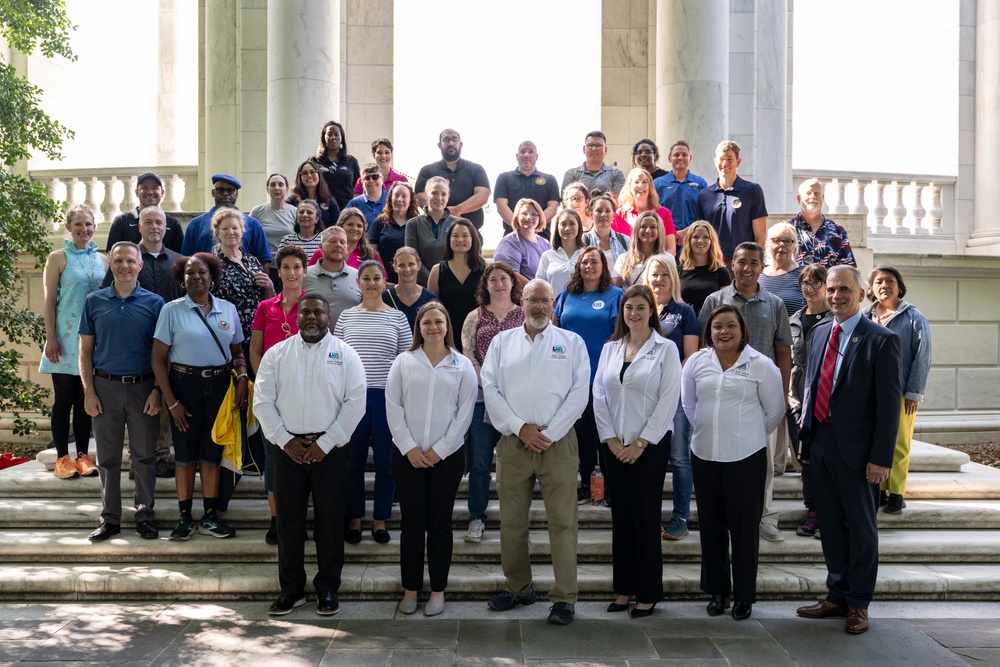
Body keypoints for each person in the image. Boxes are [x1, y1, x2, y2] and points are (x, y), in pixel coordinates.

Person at [796, 266, 902, 635]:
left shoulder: (881, 339)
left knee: (860, 529)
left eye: (844, 289)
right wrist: (806, 442)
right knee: (830, 526)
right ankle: (836, 595)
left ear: (861, 295)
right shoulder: (821, 331)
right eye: (831, 289)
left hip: (859, 455)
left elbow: (889, 408)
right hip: (821, 445)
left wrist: (880, 459)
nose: (836, 295)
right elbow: (811, 388)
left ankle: (858, 603)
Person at [483, 279, 590, 626]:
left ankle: (564, 598)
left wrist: (550, 433)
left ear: (554, 305)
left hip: (558, 443)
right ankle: (519, 588)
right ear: (522, 302)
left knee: (562, 523)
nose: (539, 306)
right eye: (533, 300)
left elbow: (579, 392)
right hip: (514, 443)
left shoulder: (571, 343)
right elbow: (491, 387)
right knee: (512, 523)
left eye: (546, 300)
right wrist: (520, 427)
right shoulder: (502, 343)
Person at [253, 293, 366, 616]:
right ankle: (291, 589)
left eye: (318, 312)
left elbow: (355, 403)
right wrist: (285, 440)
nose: (312, 317)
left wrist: (324, 443)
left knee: (330, 522)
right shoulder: (277, 354)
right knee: (288, 523)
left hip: (329, 451)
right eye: (306, 312)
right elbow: (262, 402)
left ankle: (328, 588)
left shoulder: (345, 355)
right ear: (296, 317)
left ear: (328, 317)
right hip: (286, 450)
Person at [683, 305, 784, 621]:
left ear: (742, 330)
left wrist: (744, 433)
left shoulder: (761, 365)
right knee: (711, 528)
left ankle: (743, 596)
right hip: (705, 456)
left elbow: (775, 411)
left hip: (746, 457)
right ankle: (717, 592)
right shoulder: (697, 363)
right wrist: (710, 431)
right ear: (708, 332)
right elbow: (689, 405)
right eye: (716, 326)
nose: (723, 331)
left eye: (730, 326)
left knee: (743, 530)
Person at [593, 284, 682, 618]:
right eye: (628, 307)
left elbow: (668, 399)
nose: (634, 313)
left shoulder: (666, 349)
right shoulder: (610, 349)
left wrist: (641, 443)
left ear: (651, 311)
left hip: (650, 447)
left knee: (645, 519)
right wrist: (613, 442)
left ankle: (648, 592)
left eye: (641, 307)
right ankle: (624, 589)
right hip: (615, 447)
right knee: (621, 520)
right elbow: (599, 395)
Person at [387, 302, 478, 617]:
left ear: (447, 325)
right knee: (413, 523)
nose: (433, 327)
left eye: (439, 321)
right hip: (407, 456)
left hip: (447, 458)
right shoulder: (404, 361)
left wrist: (440, 449)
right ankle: (411, 589)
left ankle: (438, 592)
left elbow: (465, 412)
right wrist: (409, 446)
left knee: (440, 523)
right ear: (419, 327)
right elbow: (393, 406)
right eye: (427, 322)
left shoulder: (462, 364)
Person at [152, 253, 249, 541]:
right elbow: (158, 360)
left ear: (212, 277)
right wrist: (171, 402)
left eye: (202, 272)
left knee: (211, 453)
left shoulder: (228, 310)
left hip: (219, 388)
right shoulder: (171, 311)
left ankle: (209, 515)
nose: (196, 277)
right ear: (182, 279)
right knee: (184, 456)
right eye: (190, 273)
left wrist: (242, 377)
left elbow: (238, 353)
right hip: (184, 386)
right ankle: (184, 517)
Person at [700, 242, 792, 542]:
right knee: (720, 463)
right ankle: (725, 519)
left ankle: (764, 516)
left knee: (761, 462)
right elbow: (703, 349)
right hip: (720, 395)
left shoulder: (775, 303)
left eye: (754, 262)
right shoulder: (715, 300)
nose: (747, 268)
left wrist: (782, 393)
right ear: (732, 264)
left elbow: (783, 352)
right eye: (742, 262)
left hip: (759, 396)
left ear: (762, 266)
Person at [79, 242, 164, 541]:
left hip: (143, 389)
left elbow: (162, 353)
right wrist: (89, 391)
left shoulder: (156, 304)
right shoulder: (94, 301)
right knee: (107, 458)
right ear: (111, 265)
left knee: (143, 457)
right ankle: (110, 518)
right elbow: (85, 351)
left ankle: (144, 515)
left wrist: (157, 390)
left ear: (140, 265)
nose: (124, 265)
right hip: (105, 388)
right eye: (118, 260)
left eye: (130, 260)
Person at [99, 206, 183, 479]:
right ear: (139, 226)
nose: (154, 227)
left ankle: (159, 456)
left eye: (159, 222)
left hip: (171, 341)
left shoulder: (178, 261)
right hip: (136, 342)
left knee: (162, 399)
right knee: (138, 406)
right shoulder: (127, 257)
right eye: (148, 222)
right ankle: (138, 458)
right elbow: (106, 295)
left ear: (166, 227)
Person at [334, 261, 412, 545]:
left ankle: (379, 519)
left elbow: (406, 361)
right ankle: (355, 518)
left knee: (385, 462)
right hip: (353, 397)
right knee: (352, 461)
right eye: (365, 278)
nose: (370, 282)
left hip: (385, 398)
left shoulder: (398, 318)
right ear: (358, 283)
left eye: (376, 278)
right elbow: (337, 360)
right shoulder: (346, 317)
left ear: (384, 282)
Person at [40, 204, 108, 480]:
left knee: (86, 399)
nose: (84, 230)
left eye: (89, 224)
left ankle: (83, 455)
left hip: (94, 340)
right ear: (68, 227)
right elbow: (48, 300)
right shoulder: (58, 257)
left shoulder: (103, 260)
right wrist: (50, 337)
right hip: (65, 339)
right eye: (78, 225)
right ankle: (61, 458)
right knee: (64, 399)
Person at [460, 262, 524, 543]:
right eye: (493, 279)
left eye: (504, 279)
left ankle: (517, 521)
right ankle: (477, 518)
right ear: (485, 286)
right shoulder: (476, 316)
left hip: (516, 399)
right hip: (482, 398)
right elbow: (468, 353)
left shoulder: (524, 315)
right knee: (480, 463)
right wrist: (485, 382)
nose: (498, 284)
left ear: (512, 283)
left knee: (517, 465)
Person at [249, 244, 309, 546]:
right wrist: (268, 383)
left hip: (305, 394)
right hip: (272, 395)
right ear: (279, 271)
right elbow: (255, 351)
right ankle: (277, 519)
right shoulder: (265, 308)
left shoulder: (313, 306)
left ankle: (299, 517)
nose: (291, 272)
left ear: (305, 271)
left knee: (302, 458)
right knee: (273, 459)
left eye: (297, 267)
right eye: (286, 267)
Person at [554, 247, 624, 504]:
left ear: (603, 267)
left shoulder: (616, 295)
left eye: (595, 262)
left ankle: (610, 487)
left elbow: (622, 336)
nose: (589, 266)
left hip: (603, 377)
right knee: (581, 434)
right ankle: (586, 483)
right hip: (571, 379)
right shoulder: (566, 296)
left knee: (604, 434)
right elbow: (555, 331)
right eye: (584, 262)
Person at [863, 265, 932, 515]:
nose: (884, 285)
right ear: (871, 289)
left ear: (899, 285)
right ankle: (879, 490)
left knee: (899, 444)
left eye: (890, 281)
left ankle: (897, 494)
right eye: (879, 281)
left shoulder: (914, 317)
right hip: (871, 394)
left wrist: (914, 392)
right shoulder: (864, 316)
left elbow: (922, 356)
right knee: (875, 440)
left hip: (902, 393)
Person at [643, 255, 699, 541]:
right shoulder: (638, 309)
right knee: (649, 456)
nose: (659, 279)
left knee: (679, 456)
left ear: (673, 279)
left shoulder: (684, 312)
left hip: (675, 394)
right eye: (655, 274)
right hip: (642, 395)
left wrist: (668, 383)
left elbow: (689, 356)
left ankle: (680, 517)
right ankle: (648, 515)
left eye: (665, 274)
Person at [788, 264, 833, 538]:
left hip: (825, 400)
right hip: (797, 400)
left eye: (816, 283)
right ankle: (814, 509)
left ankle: (829, 511)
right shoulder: (793, 319)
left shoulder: (835, 319)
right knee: (806, 459)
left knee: (824, 457)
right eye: (805, 283)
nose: (810, 288)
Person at [210, 208, 275, 358]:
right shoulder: (212, 263)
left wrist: (269, 286)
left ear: (242, 231)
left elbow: (267, 300)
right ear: (217, 233)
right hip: (229, 333)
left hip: (257, 331)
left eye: (235, 228)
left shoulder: (252, 260)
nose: (230, 232)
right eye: (225, 228)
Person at [181, 174, 272, 271]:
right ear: (213, 192)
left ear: (236, 194)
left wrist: (265, 285)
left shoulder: (253, 224)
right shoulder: (195, 224)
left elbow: (263, 260)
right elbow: (186, 259)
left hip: (243, 281)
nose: (225, 194)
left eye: (230, 190)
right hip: (204, 281)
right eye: (220, 190)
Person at [695, 140, 767, 261]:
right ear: (715, 162)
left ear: (738, 162)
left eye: (729, 159)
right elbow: (699, 232)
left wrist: (757, 262)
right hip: (712, 261)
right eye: (721, 159)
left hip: (743, 261)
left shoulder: (753, 191)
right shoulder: (704, 195)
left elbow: (760, 235)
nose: (725, 163)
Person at [427, 219, 485, 353]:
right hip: (447, 336)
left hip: (478, 334)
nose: (460, 240)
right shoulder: (437, 271)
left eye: (465, 235)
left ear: (473, 239)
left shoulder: (485, 269)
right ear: (449, 240)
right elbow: (433, 307)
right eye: (455, 236)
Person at [414, 128, 490, 231]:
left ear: (461, 144)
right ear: (439, 145)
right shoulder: (427, 170)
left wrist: (457, 211)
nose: (451, 143)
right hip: (435, 232)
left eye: (455, 139)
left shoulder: (476, 169)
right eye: (446, 140)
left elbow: (483, 195)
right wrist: (444, 215)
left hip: (470, 232)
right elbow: (419, 196)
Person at [105, 172, 184, 253]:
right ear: (137, 192)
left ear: (162, 193)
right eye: (144, 188)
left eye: (155, 188)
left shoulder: (173, 224)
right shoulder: (122, 221)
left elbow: (180, 257)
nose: (150, 192)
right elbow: (112, 255)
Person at [301, 226, 362, 331]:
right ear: (320, 247)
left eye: (342, 242)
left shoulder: (359, 276)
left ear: (347, 249)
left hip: (350, 343)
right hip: (313, 342)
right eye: (332, 241)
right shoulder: (304, 275)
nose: (338, 245)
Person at [494, 141, 560, 236]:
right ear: (517, 156)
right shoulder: (504, 178)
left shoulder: (550, 179)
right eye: (522, 151)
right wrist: (519, 227)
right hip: (513, 238)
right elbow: (501, 207)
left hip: (542, 238)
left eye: (530, 152)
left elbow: (553, 208)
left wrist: (534, 227)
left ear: (536, 156)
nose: (526, 155)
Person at [653, 140, 708, 251]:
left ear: (690, 158)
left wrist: (688, 231)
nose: (680, 158)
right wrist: (671, 233)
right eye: (676, 155)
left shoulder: (700, 183)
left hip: (694, 241)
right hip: (665, 242)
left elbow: (706, 213)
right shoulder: (658, 183)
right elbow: (653, 212)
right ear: (669, 158)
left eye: (684, 155)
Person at [790, 179, 856, 268]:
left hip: (828, 281)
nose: (813, 196)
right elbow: (774, 265)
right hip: (795, 282)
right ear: (799, 199)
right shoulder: (788, 230)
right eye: (808, 193)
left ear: (823, 198)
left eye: (817, 193)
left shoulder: (838, 231)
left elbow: (848, 268)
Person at [404, 176, 458, 285]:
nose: (439, 198)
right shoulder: (413, 224)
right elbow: (412, 258)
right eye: (434, 193)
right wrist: (433, 281)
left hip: (452, 285)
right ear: (426, 195)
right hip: (422, 287)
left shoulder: (457, 224)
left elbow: (462, 257)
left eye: (443, 194)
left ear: (448, 197)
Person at [613, 168, 677, 255]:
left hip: (657, 265)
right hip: (628, 265)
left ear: (650, 186)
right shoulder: (620, 214)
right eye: (636, 182)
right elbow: (614, 247)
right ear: (629, 186)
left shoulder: (664, 213)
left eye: (644, 182)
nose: (640, 185)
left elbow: (671, 249)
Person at [492, 198, 552, 286]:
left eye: (534, 214)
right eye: (524, 213)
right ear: (516, 217)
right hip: (524, 296)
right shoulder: (509, 243)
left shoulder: (546, 244)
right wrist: (537, 291)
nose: (529, 217)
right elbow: (511, 275)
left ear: (540, 218)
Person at [370, 182, 420, 284]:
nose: (399, 199)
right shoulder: (379, 222)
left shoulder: (417, 224)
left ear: (410, 200)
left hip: (411, 281)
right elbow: (372, 254)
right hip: (385, 281)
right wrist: (382, 278)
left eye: (404, 196)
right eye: (396, 195)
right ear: (390, 198)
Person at [678, 221, 731, 317]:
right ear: (689, 240)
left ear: (712, 241)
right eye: (695, 237)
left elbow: (726, 305)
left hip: (711, 326)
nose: (700, 241)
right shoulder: (678, 270)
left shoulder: (722, 272)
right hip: (684, 325)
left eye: (705, 237)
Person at [309, 208, 385, 271]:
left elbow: (382, 282)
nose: (355, 229)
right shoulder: (322, 251)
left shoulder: (372, 255)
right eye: (350, 224)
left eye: (359, 226)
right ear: (340, 226)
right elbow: (308, 276)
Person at [309, 120, 361, 210]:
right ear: (323, 138)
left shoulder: (351, 161)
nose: (333, 137)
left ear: (341, 138)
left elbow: (358, 187)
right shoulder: (314, 161)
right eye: (329, 134)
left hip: (346, 210)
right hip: (322, 210)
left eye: (336, 134)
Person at [561, 131, 625, 202]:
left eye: (598, 146)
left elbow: (617, 201)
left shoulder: (616, 174)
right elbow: (565, 202)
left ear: (606, 150)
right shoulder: (571, 174)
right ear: (584, 149)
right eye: (590, 145)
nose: (594, 149)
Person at [382, 247, 436, 330]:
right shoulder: (384, 299)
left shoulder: (430, 299)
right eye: (402, 265)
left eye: (411, 264)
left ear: (418, 265)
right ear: (395, 267)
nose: (407, 269)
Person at [759, 222, 805, 318]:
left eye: (788, 241)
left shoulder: (804, 274)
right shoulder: (758, 274)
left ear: (794, 246)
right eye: (776, 240)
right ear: (768, 244)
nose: (782, 245)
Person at [614, 210, 668, 288]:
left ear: (659, 231)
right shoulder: (623, 258)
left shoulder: (667, 258)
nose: (648, 231)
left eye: (653, 227)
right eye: (643, 226)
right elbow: (615, 288)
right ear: (637, 230)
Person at [249, 173, 296, 261]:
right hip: (263, 263)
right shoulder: (257, 212)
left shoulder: (295, 212)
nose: (277, 188)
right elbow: (249, 238)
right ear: (267, 189)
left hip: (288, 264)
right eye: (273, 185)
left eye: (281, 185)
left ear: (287, 189)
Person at [536, 209, 585, 295]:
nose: (567, 228)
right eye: (563, 224)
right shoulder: (547, 256)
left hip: (581, 306)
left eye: (572, 223)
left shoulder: (586, 255)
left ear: (579, 226)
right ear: (557, 228)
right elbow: (539, 286)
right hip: (554, 307)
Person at [583, 193, 630, 278]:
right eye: (599, 210)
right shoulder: (583, 241)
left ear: (613, 215)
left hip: (621, 290)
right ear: (590, 214)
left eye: (608, 211)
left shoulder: (626, 241)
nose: (603, 214)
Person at [287, 160, 341, 229]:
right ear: (299, 177)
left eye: (312, 172)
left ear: (318, 174)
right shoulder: (292, 201)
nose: (309, 175)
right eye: (305, 173)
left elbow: (336, 227)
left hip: (323, 239)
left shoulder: (329, 201)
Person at [346, 163, 388, 227]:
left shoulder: (392, 201)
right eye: (367, 178)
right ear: (362, 182)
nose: (371, 180)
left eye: (375, 177)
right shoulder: (354, 203)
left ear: (382, 179)